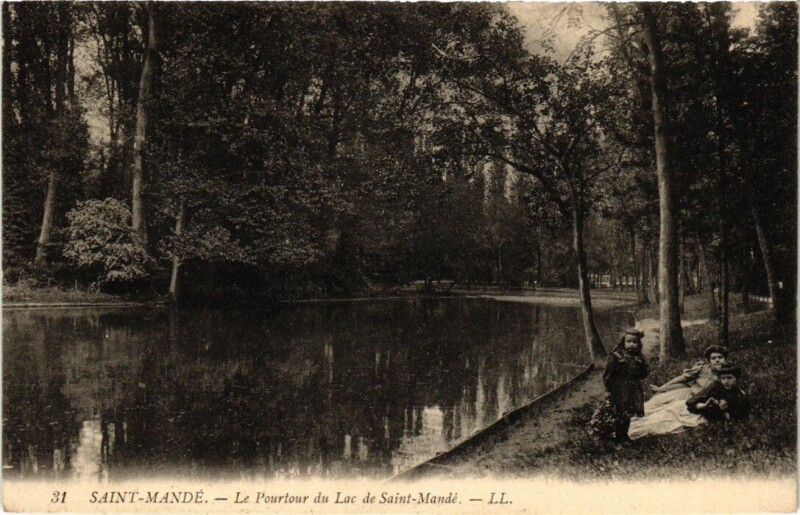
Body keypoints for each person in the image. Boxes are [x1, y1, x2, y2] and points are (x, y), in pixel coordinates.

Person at [643, 345, 728, 413]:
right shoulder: (703, 368)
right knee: (657, 403)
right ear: (709, 361)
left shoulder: (728, 373)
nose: (717, 360)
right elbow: (682, 378)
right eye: (713, 358)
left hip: (702, 401)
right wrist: (661, 387)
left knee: (669, 411)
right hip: (688, 394)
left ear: (725, 359)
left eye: (720, 357)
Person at [599, 328, 649, 441]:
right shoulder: (616, 357)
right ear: (623, 342)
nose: (631, 344)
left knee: (628, 413)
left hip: (632, 389)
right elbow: (608, 375)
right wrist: (608, 389)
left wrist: (641, 366)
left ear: (639, 344)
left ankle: (624, 435)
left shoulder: (639, 357)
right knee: (619, 412)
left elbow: (643, 373)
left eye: (634, 342)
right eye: (629, 341)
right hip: (619, 390)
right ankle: (617, 436)